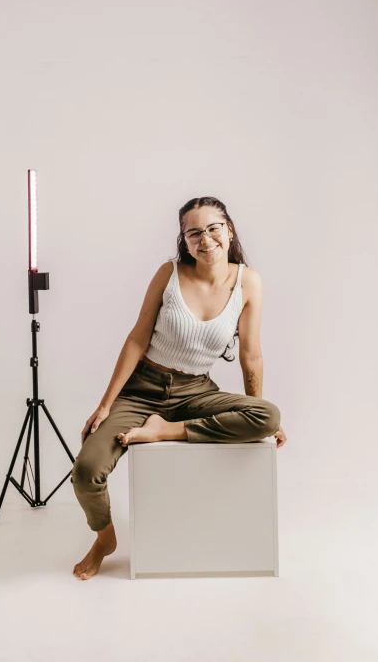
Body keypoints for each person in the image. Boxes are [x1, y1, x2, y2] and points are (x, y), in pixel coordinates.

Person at [72, 196, 287, 580]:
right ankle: (104, 539)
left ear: (229, 229)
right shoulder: (168, 274)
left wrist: (260, 418)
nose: (205, 239)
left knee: (268, 415)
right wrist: (105, 405)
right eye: (194, 233)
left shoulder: (249, 282)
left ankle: (165, 430)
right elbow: (137, 339)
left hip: (197, 391)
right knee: (87, 471)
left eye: (213, 228)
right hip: (142, 388)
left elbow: (251, 357)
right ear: (184, 241)